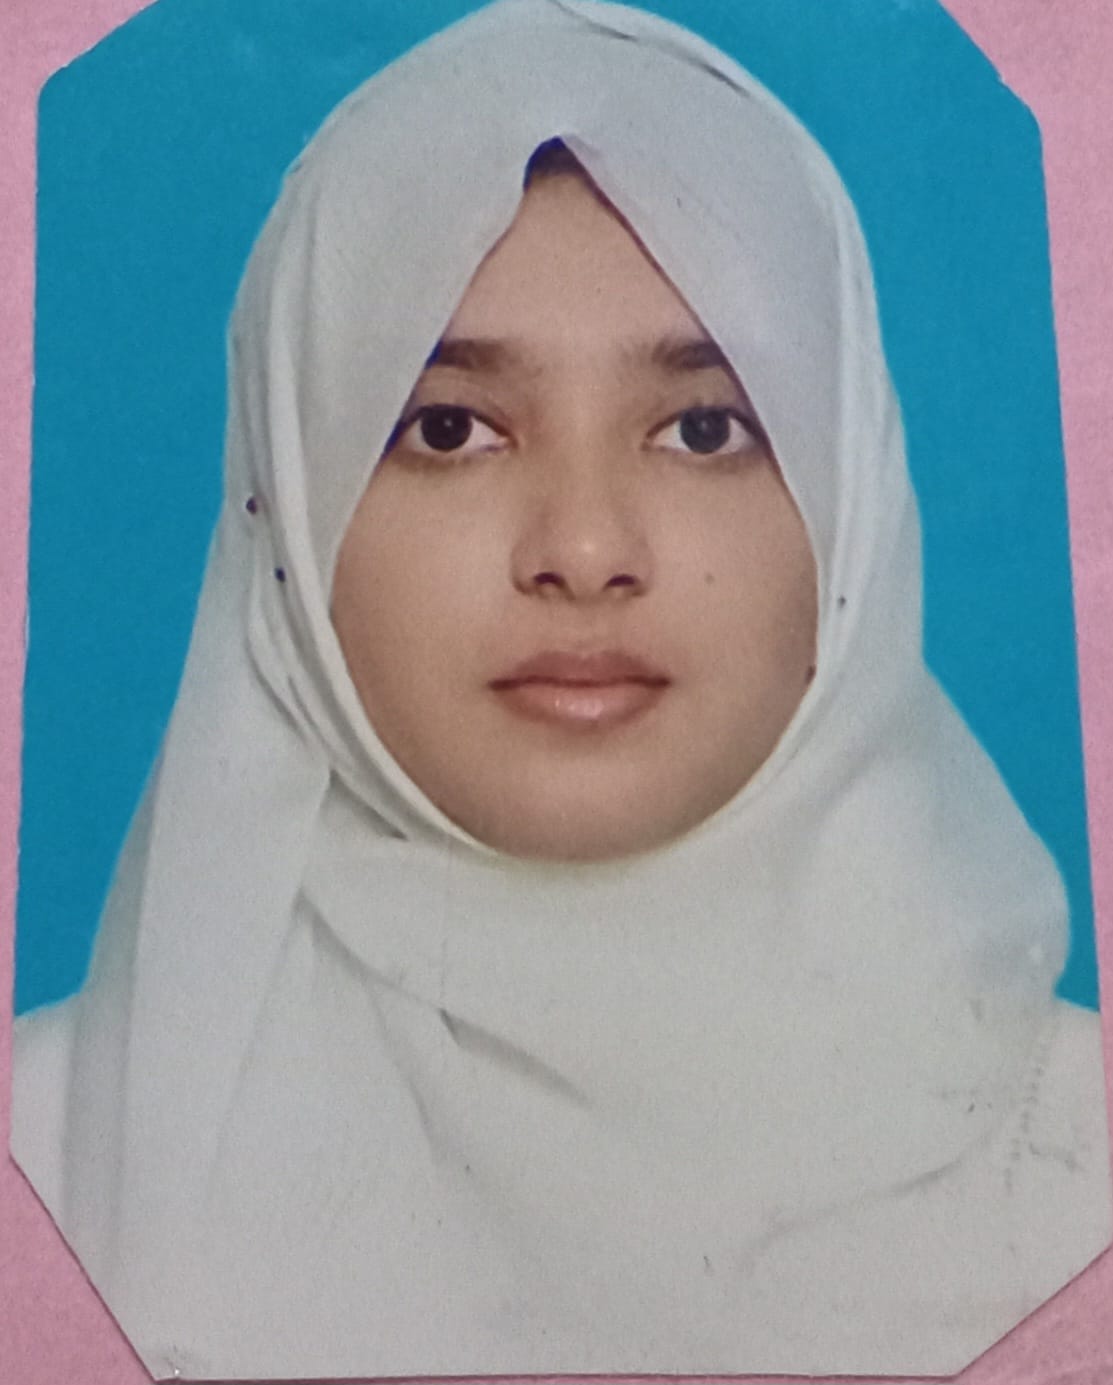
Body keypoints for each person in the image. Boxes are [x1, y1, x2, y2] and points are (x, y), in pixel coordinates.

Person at [11, 0, 1111, 1378]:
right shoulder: (45, 1161)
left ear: (853, 505)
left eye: (703, 428)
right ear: (284, 503)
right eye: (449, 429)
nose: (584, 550)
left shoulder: (1078, 1163)